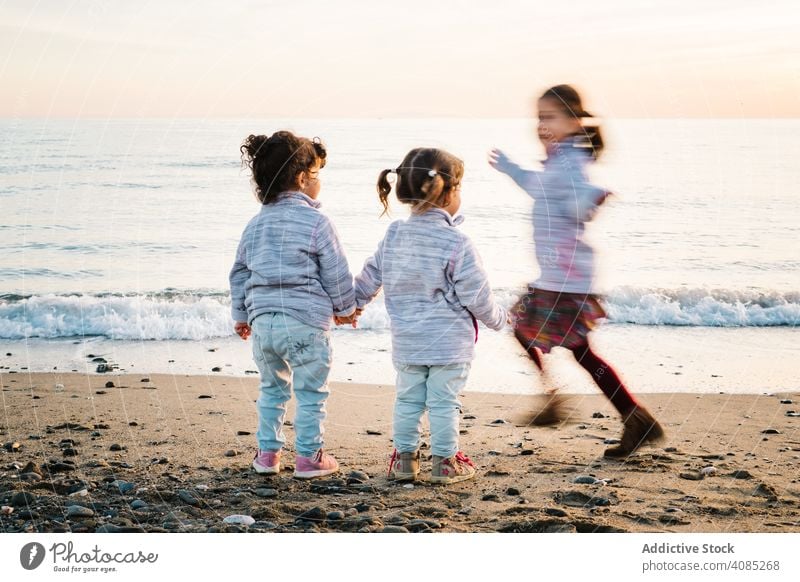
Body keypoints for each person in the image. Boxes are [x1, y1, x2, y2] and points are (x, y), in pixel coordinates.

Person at [489, 85, 664, 457]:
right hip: (557, 276)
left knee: (570, 348)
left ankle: (624, 416)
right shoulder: (557, 160)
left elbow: (577, 192)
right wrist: (511, 169)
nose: (541, 125)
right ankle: (626, 416)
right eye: (538, 117)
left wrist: (589, 199)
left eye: (549, 117)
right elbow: (540, 188)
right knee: (546, 338)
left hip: (567, 279)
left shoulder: (571, 161)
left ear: (572, 121)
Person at [355, 147, 509, 484]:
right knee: (444, 401)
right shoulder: (456, 242)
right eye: (460, 188)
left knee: (408, 399)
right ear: (448, 192)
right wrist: (499, 319)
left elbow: (370, 276)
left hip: (408, 342)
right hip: (449, 345)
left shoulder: (394, 234)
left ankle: (405, 460)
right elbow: (476, 295)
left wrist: (352, 304)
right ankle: (444, 461)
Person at [230, 131, 357, 479]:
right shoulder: (317, 222)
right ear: (303, 179)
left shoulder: (254, 225)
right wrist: (346, 309)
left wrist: (241, 315)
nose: (319, 182)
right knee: (311, 391)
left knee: (272, 388)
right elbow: (336, 271)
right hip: (305, 323)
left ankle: (267, 455)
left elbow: (240, 273)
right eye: (316, 174)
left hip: (263, 325)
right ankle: (308, 457)